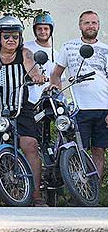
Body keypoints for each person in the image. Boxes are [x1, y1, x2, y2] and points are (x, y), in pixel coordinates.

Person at [0, 14, 46, 207]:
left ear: (20, 37)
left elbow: (32, 69)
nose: (11, 40)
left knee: (30, 144)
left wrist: (37, 76)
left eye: (15, 36)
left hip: (20, 106)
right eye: (7, 36)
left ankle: (36, 195)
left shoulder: (25, 53)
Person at [49, 10, 108, 177]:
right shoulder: (68, 46)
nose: (91, 26)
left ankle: (94, 190)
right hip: (79, 109)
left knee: (98, 150)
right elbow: (56, 74)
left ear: (99, 25)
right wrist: (56, 91)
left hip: (103, 108)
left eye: (94, 22)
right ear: (80, 25)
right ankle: (79, 189)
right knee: (77, 150)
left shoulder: (106, 49)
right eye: (87, 22)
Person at [24, 12, 59, 105]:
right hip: (28, 100)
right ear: (34, 30)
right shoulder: (26, 48)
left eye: (46, 28)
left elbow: (58, 81)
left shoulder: (56, 55)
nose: (43, 31)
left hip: (49, 102)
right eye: (39, 29)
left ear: (51, 30)